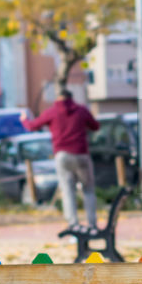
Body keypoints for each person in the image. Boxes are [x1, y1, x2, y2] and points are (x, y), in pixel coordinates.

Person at [22, 90, 100, 232]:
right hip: (81, 153)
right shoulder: (81, 110)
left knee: (67, 190)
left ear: (58, 98)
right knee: (88, 189)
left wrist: (24, 120)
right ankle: (92, 225)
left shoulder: (52, 112)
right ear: (71, 98)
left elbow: (32, 126)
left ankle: (73, 224)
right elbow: (95, 126)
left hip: (62, 155)